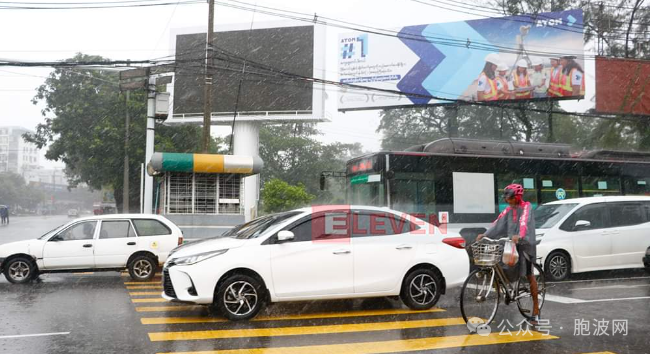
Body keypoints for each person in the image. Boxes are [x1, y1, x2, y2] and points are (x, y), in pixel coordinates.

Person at [476, 184, 541, 324]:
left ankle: (536, 309)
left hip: (526, 244)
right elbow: (497, 223)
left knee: (529, 274)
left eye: (509, 198)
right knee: (499, 261)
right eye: (506, 198)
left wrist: (520, 235)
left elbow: (524, 222)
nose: (507, 200)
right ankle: (507, 288)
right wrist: (485, 235)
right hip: (510, 243)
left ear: (517, 197)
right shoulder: (508, 210)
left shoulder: (527, 207)